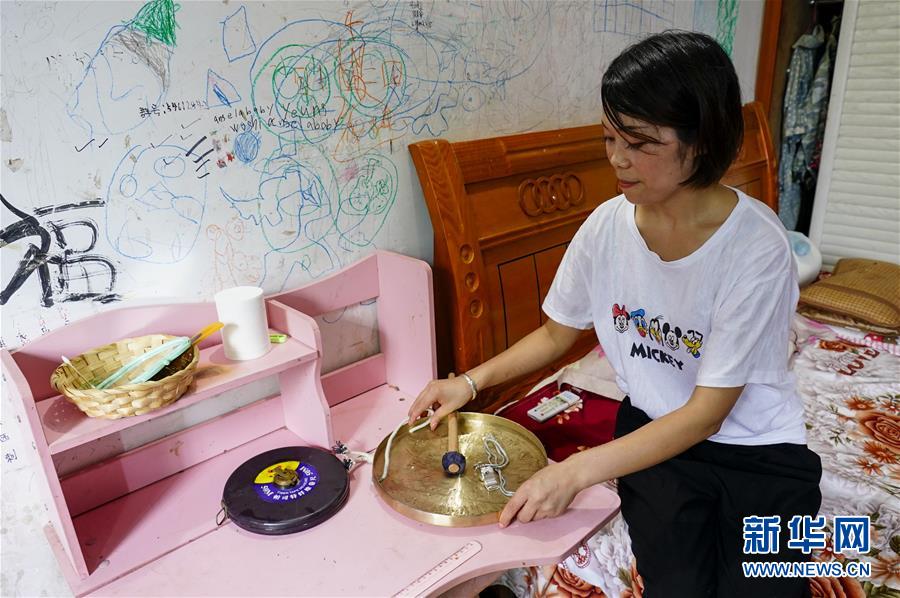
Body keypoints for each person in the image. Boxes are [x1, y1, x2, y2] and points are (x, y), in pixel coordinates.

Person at [407, 31, 822, 598]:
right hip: (652, 438)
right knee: (677, 588)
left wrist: (576, 470)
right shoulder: (606, 226)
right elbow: (557, 333)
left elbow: (707, 414)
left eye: (640, 142)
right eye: (609, 137)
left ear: (701, 141)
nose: (616, 159)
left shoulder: (756, 247)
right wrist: (469, 383)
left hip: (758, 452)